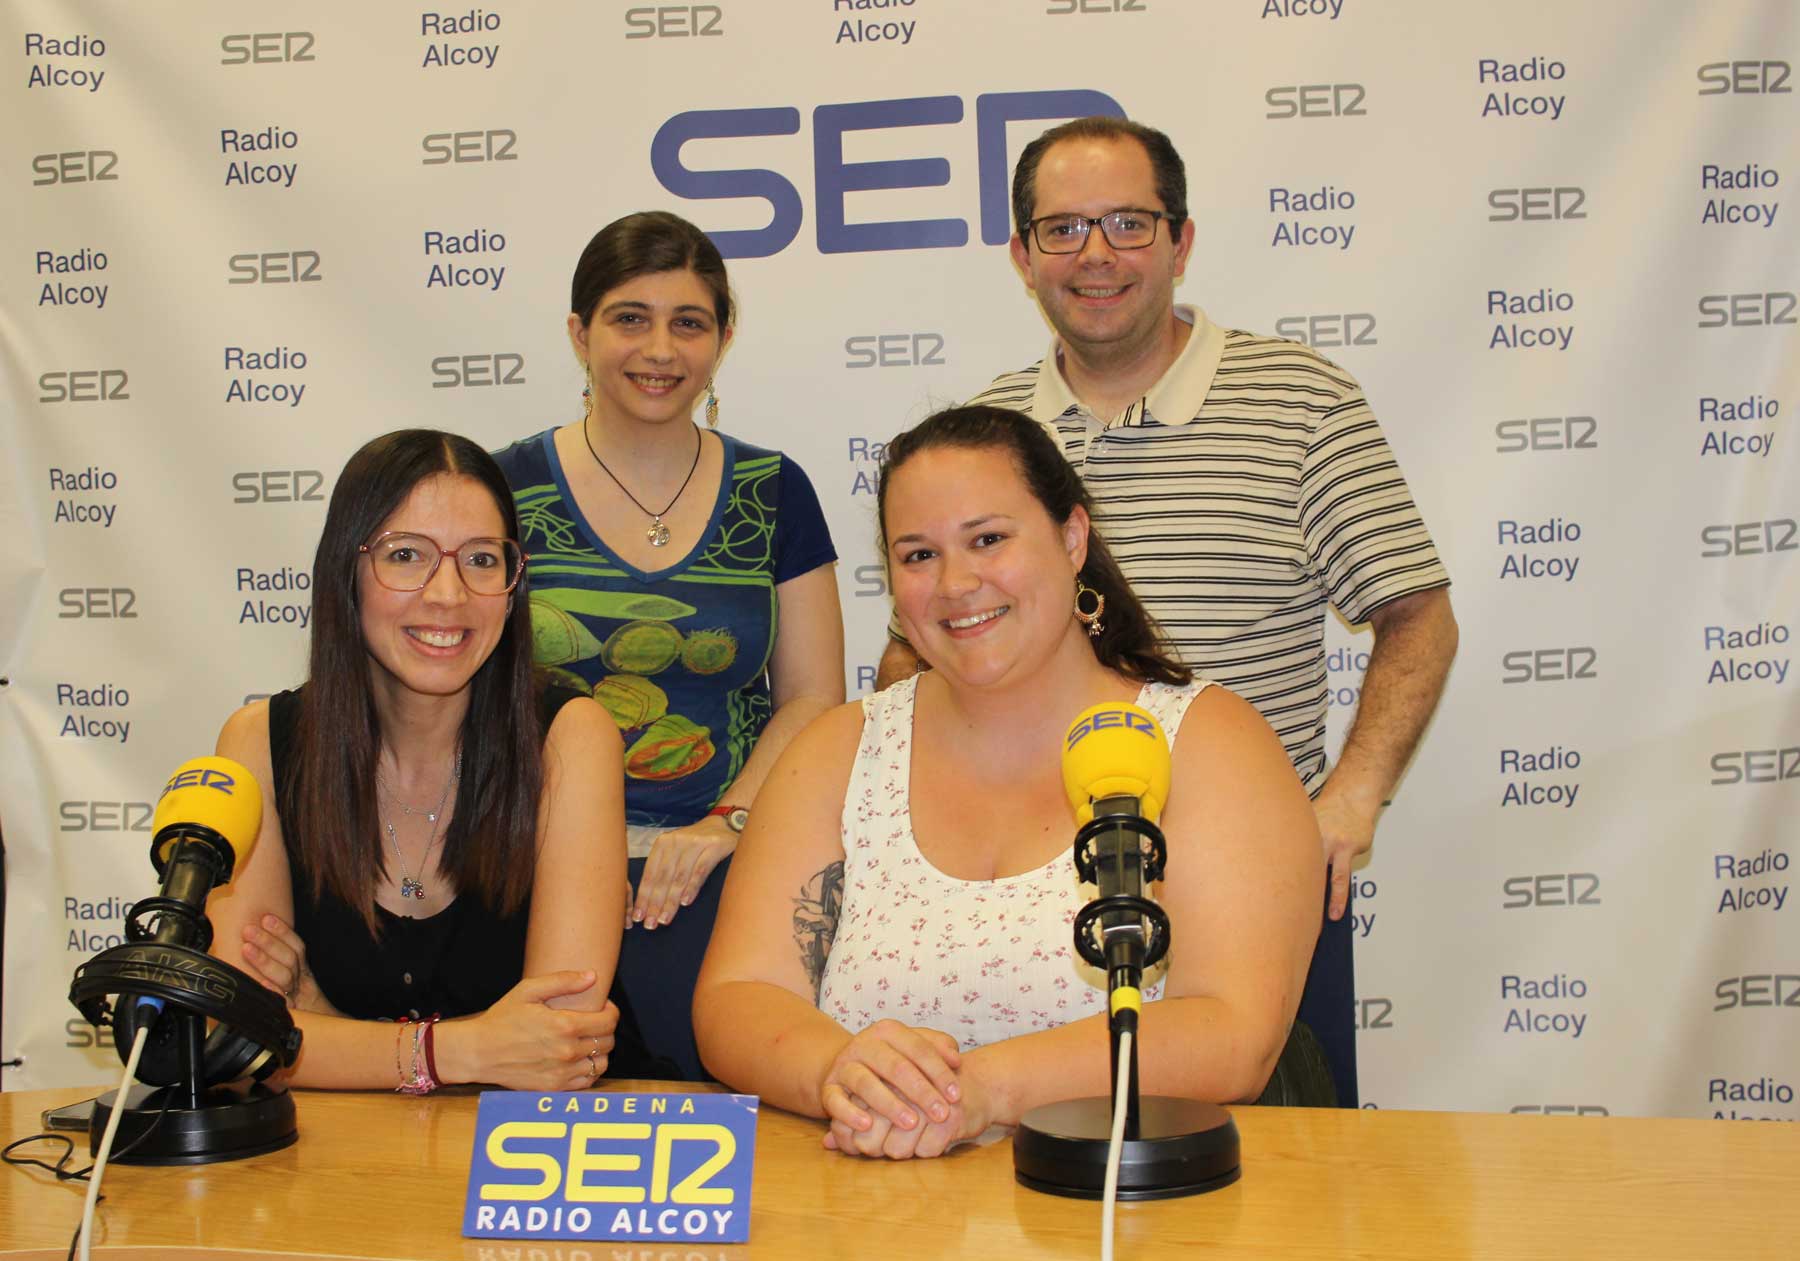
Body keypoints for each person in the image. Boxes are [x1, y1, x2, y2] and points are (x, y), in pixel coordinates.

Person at [876, 117, 1458, 1109]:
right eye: (1063, 229)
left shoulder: (1302, 401)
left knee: (1280, 1193)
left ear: (1180, 241)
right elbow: (915, 651)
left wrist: (1350, 801)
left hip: (1251, 893)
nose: (1095, 254)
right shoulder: (991, 434)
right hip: (1022, 916)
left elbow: (1418, 616)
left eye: (1128, 223)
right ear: (1022, 256)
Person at [694, 405, 1323, 1158]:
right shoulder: (837, 750)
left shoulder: (1207, 742)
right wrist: (840, 1071)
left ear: (1072, 538)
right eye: (919, 555)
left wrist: (981, 1090)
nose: (956, 582)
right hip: (875, 1213)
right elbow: (739, 995)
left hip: (1129, 1210)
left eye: (988, 539)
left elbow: (1234, 1031)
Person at [494, 211, 844, 1079]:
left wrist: (725, 825)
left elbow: (814, 697)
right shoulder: (501, 489)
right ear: (580, 333)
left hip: (729, 860)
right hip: (530, 863)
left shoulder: (775, 491)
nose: (660, 349)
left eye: (689, 322)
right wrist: (571, 853)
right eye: (630, 318)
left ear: (723, 338)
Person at [208, 429, 627, 1092]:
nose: (448, 594)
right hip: (344, 1147)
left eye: (482, 559)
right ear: (347, 571)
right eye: (407, 555)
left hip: (544, 1149)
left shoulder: (570, 737)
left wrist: (315, 1018)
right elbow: (234, 1043)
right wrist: (456, 1051)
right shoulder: (260, 743)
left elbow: (557, 1048)